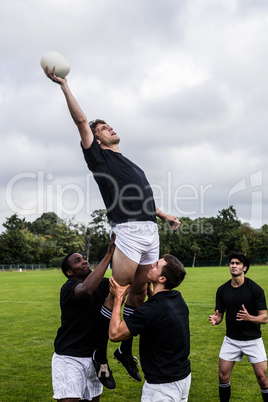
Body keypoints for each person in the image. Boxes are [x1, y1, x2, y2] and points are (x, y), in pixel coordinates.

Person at [43, 67, 180, 385]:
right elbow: (80, 121)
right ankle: (101, 354)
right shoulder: (98, 157)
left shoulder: (130, 162)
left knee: (140, 294)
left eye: (108, 126)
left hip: (149, 229)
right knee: (115, 294)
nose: (110, 128)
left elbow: (143, 198)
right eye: (103, 128)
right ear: (97, 138)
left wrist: (165, 215)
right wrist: (64, 85)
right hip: (128, 231)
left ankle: (123, 351)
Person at [109, 254, 191, 402]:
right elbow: (159, 309)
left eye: (156, 265)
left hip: (162, 388)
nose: (151, 265)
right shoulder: (177, 298)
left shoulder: (150, 310)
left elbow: (115, 334)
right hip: (183, 378)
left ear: (162, 279)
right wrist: (152, 294)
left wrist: (118, 299)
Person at [52, 235, 116, 402]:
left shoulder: (101, 285)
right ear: (69, 272)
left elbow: (124, 281)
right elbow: (86, 289)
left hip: (94, 359)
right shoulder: (69, 288)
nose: (84, 261)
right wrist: (108, 255)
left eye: (83, 258)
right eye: (77, 261)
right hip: (70, 358)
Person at [209, 252, 268, 402]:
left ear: (245, 268)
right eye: (232, 263)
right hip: (231, 340)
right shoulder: (222, 290)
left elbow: (264, 318)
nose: (233, 266)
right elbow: (220, 315)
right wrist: (216, 319)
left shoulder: (255, 289)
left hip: (252, 340)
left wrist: (250, 318)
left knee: (262, 378)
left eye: (237, 263)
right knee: (223, 376)